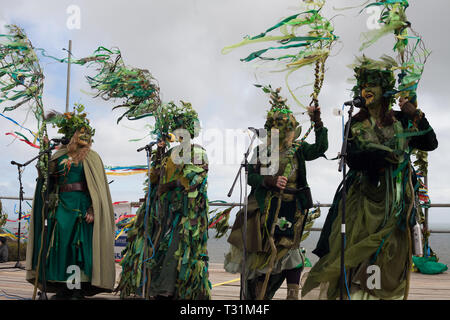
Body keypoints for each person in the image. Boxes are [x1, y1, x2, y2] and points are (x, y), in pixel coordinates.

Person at [302, 56, 438, 300]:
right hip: (361, 201)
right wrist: (381, 156)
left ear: (384, 89)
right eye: (363, 84)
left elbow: (430, 143)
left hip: (396, 203)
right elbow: (352, 159)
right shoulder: (354, 122)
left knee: (391, 254)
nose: (366, 89)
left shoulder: (402, 119)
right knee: (357, 252)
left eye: (372, 84)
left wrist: (415, 113)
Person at [224, 86, 328, 300]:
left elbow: (320, 148)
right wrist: (268, 181)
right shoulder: (261, 151)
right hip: (265, 208)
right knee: (264, 252)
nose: (281, 131)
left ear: (292, 128)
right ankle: (258, 294)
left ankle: (293, 294)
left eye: (285, 127)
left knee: (291, 250)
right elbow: (250, 177)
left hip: (293, 209)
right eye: (276, 127)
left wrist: (317, 122)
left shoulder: (298, 148)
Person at [116, 101, 211, 300]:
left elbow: (193, 181)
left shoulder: (198, 152)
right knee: (158, 248)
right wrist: (159, 151)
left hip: (185, 213)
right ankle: (153, 288)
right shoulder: (170, 154)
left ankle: (168, 291)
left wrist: (169, 185)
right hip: (163, 210)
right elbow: (154, 177)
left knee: (176, 249)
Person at [25, 104, 116, 300]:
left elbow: (97, 188)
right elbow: (46, 177)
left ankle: (77, 289)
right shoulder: (58, 154)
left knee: (77, 250)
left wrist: (93, 207)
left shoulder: (91, 157)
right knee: (61, 248)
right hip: (61, 208)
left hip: (80, 207)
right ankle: (64, 287)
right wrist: (44, 155)